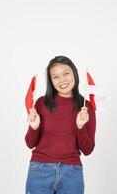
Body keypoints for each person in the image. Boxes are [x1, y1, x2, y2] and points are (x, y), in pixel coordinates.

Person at [25, 56, 96, 194]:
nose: (62, 80)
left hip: (72, 173)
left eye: (66, 73)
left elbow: (88, 150)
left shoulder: (85, 108)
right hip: (40, 170)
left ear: (74, 73)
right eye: (55, 76)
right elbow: (30, 143)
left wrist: (80, 127)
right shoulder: (41, 103)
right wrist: (34, 128)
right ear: (51, 81)